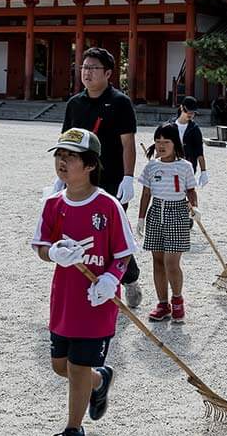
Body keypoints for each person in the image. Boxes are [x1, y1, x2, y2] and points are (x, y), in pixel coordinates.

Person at [31, 128, 136, 436]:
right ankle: (99, 378)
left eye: (71, 156)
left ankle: (73, 430)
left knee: (76, 367)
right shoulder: (53, 204)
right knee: (60, 365)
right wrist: (54, 253)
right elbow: (41, 245)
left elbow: (123, 253)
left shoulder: (108, 206)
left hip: (96, 301)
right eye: (59, 155)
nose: (62, 162)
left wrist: (110, 278)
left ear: (90, 164)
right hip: (64, 299)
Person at [61, 47, 141, 306]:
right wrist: (61, 176)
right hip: (80, 179)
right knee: (83, 232)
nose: (87, 72)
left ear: (108, 73)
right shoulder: (75, 103)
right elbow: (66, 142)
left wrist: (128, 177)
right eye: (84, 67)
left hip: (112, 178)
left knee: (110, 234)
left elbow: (128, 143)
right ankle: (91, 283)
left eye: (93, 68)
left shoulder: (119, 102)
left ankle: (127, 278)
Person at [135, 123, 199, 323]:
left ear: (175, 143)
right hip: (156, 212)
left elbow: (190, 190)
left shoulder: (185, 166)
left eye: (166, 142)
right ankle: (163, 303)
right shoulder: (151, 166)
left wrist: (195, 208)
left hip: (177, 212)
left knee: (172, 262)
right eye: (158, 141)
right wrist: (141, 218)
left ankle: (177, 300)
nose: (161, 146)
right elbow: (146, 193)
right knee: (157, 260)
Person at [175, 96, 208, 183]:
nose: (190, 114)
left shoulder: (195, 129)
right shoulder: (170, 126)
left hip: (188, 166)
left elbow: (199, 152)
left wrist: (203, 171)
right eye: (188, 111)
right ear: (181, 108)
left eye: (193, 113)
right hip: (171, 164)